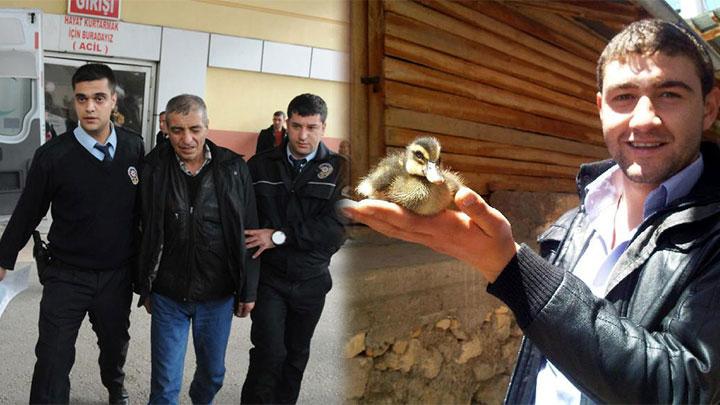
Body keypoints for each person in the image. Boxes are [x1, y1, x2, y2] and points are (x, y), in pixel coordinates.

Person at [344, 19, 720, 403]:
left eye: (669, 94)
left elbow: (687, 389)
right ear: (600, 108)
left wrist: (513, 271)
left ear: (709, 108)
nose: (643, 118)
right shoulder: (575, 223)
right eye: (623, 97)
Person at [0, 63, 144, 404]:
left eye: (98, 98)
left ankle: (115, 385)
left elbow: (146, 212)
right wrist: (3, 257)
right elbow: (27, 212)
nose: (90, 107)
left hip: (116, 275)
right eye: (82, 99)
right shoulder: (53, 156)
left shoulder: (134, 149)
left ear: (113, 101)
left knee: (114, 345)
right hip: (66, 274)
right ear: (74, 103)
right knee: (52, 357)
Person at [136, 94, 259, 404]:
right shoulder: (152, 168)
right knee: (164, 386)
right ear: (165, 127)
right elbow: (142, 229)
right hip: (168, 295)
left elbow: (249, 231)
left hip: (217, 295)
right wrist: (145, 286)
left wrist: (248, 290)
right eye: (177, 130)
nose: (186, 139)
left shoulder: (233, 168)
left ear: (207, 125)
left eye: (194, 129)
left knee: (213, 374)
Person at [241, 94, 347, 404]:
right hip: (270, 280)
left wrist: (277, 236)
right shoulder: (260, 166)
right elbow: (246, 226)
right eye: (297, 126)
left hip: (312, 279)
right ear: (286, 124)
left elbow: (335, 230)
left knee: (296, 356)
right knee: (269, 353)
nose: (303, 135)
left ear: (323, 127)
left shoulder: (341, 170)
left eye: (312, 127)